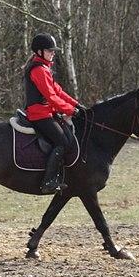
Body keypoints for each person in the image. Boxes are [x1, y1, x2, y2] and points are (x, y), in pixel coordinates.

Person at [23, 33, 85, 194]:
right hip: (39, 114)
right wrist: (71, 111)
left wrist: (77, 105)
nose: (53, 53)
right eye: (50, 50)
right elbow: (51, 97)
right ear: (39, 51)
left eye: (53, 51)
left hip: (46, 113)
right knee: (63, 142)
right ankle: (48, 181)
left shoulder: (45, 69)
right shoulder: (39, 70)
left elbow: (58, 91)